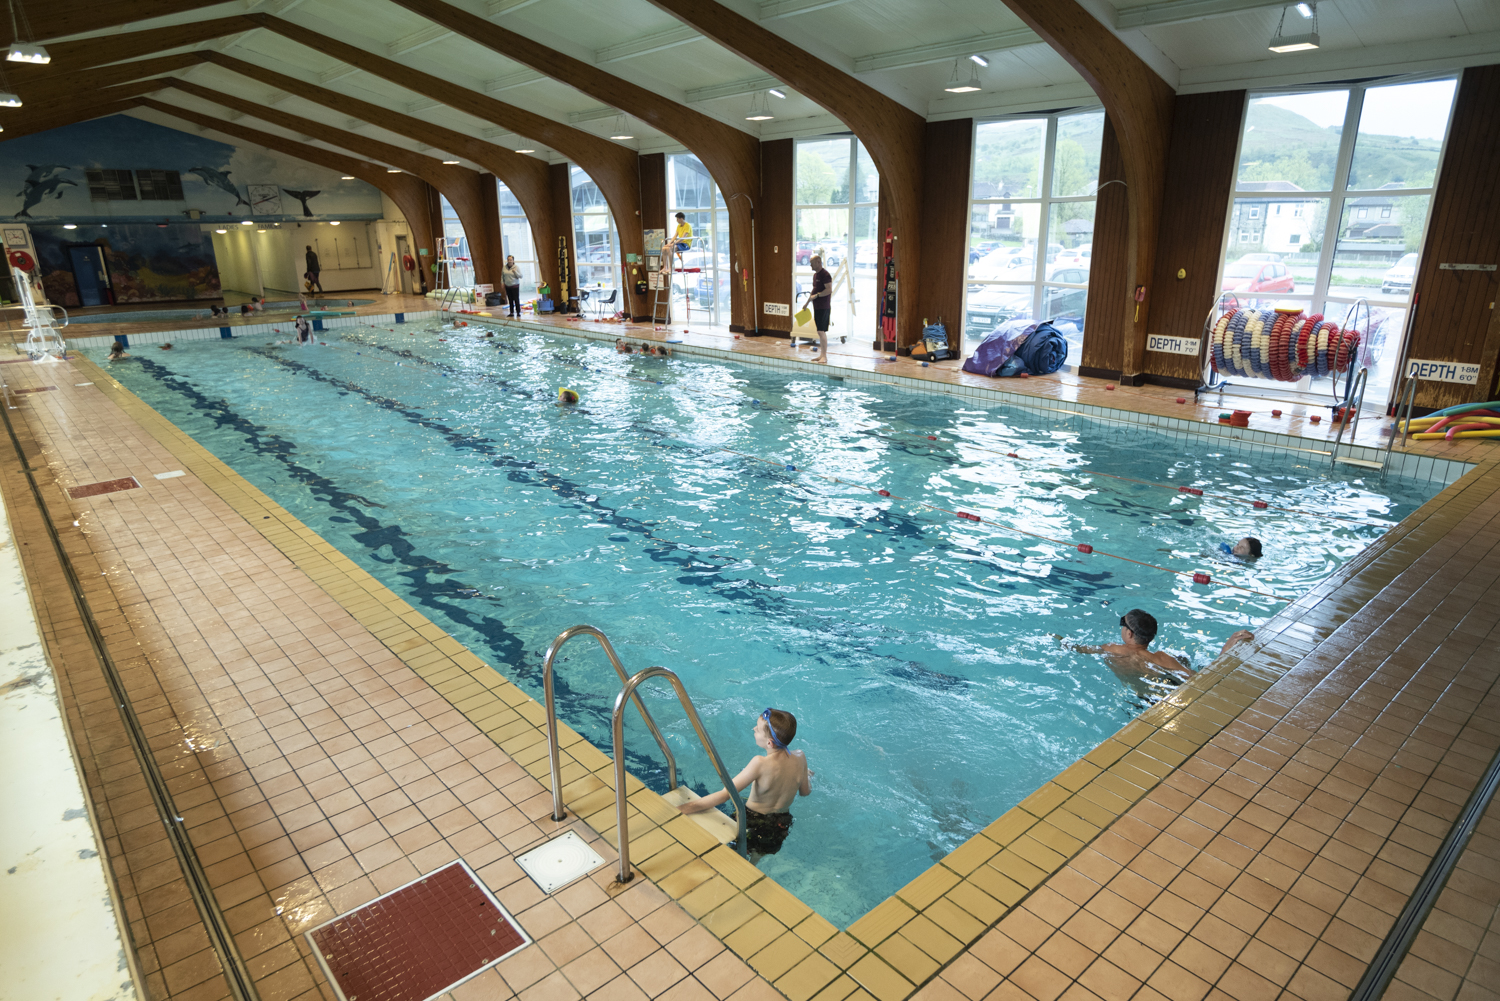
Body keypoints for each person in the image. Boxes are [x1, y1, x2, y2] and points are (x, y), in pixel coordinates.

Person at [678, 708, 811, 862]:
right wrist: (805, 774)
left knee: (731, 855)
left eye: (758, 729)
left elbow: (724, 795)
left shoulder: (759, 763)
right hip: (780, 824)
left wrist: (683, 809)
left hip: (751, 821)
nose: (753, 729)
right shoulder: (800, 757)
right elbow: (805, 792)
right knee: (756, 857)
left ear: (769, 743)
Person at [1067, 609, 1254, 689]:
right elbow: (1201, 680)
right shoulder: (1160, 659)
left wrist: (1060, 640)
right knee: (1182, 659)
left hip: (1137, 697)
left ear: (1130, 634)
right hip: (1161, 691)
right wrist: (1224, 651)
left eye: (1122, 624)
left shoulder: (1112, 649)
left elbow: (1079, 648)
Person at [805, 255, 833, 363]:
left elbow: (829, 290)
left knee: (821, 331)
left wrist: (817, 296)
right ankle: (821, 355)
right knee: (819, 331)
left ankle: (824, 356)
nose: (810, 265)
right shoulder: (816, 275)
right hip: (817, 306)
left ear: (818, 262)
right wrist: (807, 303)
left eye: (812, 263)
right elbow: (814, 290)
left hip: (824, 306)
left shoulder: (825, 275)